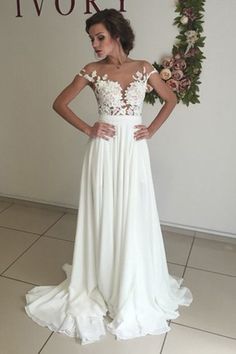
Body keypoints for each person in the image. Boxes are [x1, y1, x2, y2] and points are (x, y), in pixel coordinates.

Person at [24, 8, 193, 345]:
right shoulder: (91, 71)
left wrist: (152, 130)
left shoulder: (144, 68)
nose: (95, 44)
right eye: (91, 39)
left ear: (117, 35)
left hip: (133, 151)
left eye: (100, 37)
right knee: (104, 212)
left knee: (132, 212)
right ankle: (101, 278)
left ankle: (129, 279)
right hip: (103, 151)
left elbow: (171, 98)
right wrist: (89, 127)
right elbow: (59, 103)